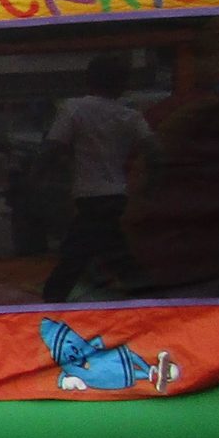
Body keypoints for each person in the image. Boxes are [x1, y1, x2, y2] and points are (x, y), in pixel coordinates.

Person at [41, 53, 158, 302]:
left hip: (90, 196)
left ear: (89, 79)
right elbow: (154, 151)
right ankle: (148, 295)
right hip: (118, 195)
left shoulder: (73, 108)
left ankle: (52, 300)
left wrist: (38, 176)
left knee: (78, 254)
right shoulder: (130, 115)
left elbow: (52, 148)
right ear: (122, 83)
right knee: (109, 250)